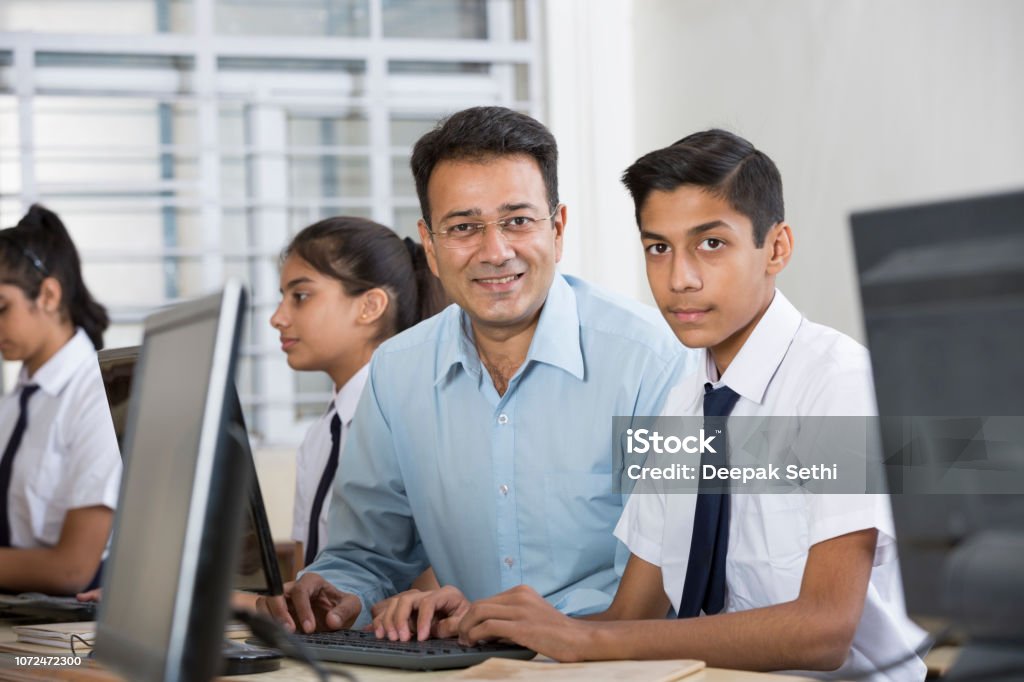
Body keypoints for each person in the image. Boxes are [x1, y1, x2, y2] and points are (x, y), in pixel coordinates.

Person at [454, 130, 927, 680]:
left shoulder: (835, 382)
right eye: (659, 248)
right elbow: (631, 616)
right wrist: (500, 625)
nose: (679, 279)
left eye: (711, 244)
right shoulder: (685, 402)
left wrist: (584, 639)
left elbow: (824, 631)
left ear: (775, 248)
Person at [258, 106, 695, 637]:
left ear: (557, 230)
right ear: (432, 247)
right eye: (464, 227)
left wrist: (556, 631)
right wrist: (333, 591)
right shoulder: (397, 372)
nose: (496, 251)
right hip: (470, 661)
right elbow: (369, 554)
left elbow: (667, 583)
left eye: (517, 221)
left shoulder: (656, 362)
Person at [270, 216, 446, 584]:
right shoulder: (319, 438)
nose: (277, 318)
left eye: (300, 296)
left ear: (369, 307)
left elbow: (430, 587)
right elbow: (306, 581)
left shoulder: (416, 423)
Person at [0, 204, 121, 594]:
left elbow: (72, 569)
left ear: (49, 295)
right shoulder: (16, 399)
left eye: (1, 308)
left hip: (69, 628)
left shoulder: (98, 393)